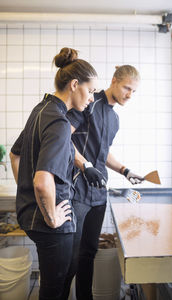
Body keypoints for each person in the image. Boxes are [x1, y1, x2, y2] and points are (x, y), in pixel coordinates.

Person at [9, 47, 98, 300]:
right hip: (51, 224)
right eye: (90, 91)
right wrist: (51, 217)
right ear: (74, 84)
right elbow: (41, 182)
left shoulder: (41, 109)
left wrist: (24, 190)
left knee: (60, 277)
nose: (91, 98)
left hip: (30, 214)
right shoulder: (59, 122)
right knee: (54, 289)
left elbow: (15, 154)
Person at [65, 65, 144, 300]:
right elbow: (63, 138)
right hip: (77, 189)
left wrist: (125, 170)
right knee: (72, 255)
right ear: (114, 81)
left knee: (88, 252)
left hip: (99, 193)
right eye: (127, 88)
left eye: (134, 91)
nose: (129, 94)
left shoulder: (115, 119)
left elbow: (103, 152)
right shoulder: (89, 102)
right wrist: (85, 166)